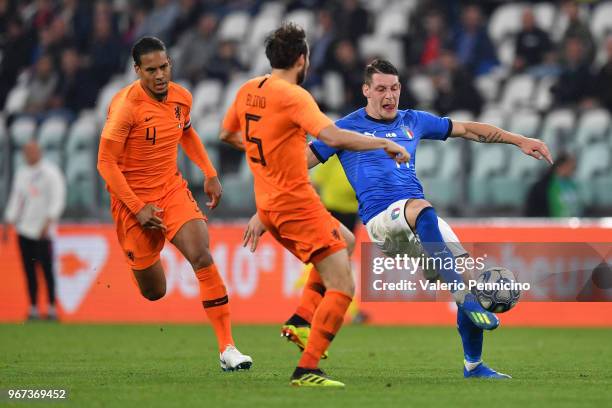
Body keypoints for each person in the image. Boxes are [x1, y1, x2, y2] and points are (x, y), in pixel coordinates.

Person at [243, 59, 553, 379]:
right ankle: (461, 295)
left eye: (394, 88)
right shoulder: (344, 129)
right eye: (381, 89)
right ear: (366, 91)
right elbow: (292, 170)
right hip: (382, 220)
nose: (389, 95)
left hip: (418, 222)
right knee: (423, 211)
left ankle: (473, 365)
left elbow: (470, 130)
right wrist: (263, 211)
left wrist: (520, 140)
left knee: (469, 276)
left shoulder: (413, 120)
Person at [219, 24, 409, 387]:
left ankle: (300, 320)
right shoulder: (294, 96)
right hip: (296, 204)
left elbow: (227, 135)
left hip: (270, 202)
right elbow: (333, 136)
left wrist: (269, 154)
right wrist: (382, 144)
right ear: (302, 59)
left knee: (347, 242)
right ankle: (307, 370)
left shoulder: (247, 90)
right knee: (343, 286)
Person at [96, 36, 251, 371]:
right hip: (132, 203)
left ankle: (228, 348)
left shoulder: (182, 97)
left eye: (164, 67)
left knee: (201, 254)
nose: (159, 75)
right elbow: (105, 164)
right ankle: (137, 254)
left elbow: (187, 132)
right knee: (154, 291)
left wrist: (209, 172)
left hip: (170, 189)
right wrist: (137, 207)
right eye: (150, 70)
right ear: (137, 70)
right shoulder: (125, 108)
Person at [4, 141, 66, 321]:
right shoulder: (22, 174)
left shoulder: (50, 172)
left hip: (43, 232)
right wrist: (9, 220)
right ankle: (33, 307)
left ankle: (52, 307)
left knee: (47, 270)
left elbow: (58, 198)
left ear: (39, 151)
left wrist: (49, 221)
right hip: (24, 229)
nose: (29, 154)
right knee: (29, 271)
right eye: (26, 151)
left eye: (32, 151)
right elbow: (16, 199)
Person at [525, 152, 581, 217]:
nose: (573, 170)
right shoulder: (542, 187)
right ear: (561, 166)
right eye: (571, 167)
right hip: (549, 224)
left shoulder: (572, 185)